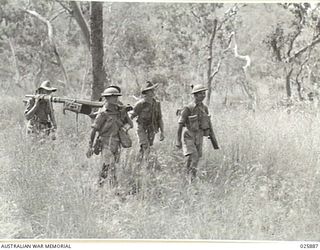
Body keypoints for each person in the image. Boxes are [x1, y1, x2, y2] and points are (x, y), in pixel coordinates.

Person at [87, 86, 133, 187]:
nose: (116, 99)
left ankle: (100, 185)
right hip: (105, 143)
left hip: (117, 143)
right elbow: (94, 130)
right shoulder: (103, 113)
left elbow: (130, 124)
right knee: (111, 166)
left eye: (117, 96)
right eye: (113, 97)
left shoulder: (121, 111)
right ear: (107, 98)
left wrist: (123, 129)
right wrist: (90, 146)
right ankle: (114, 188)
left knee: (107, 166)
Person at [176, 84, 211, 182]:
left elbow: (207, 122)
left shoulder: (204, 108)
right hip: (189, 136)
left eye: (204, 93)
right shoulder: (188, 108)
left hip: (199, 136)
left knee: (194, 159)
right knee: (194, 157)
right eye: (201, 94)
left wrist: (208, 132)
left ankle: (187, 177)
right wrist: (178, 141)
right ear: (195, 95)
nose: (203, 95)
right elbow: (180, 124)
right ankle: (192, 180)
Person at [130, 81, 165, 162]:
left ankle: (139, 162)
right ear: (146, 93)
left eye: (153, 90)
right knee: (146, 146)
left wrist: (162, 132)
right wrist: (125, 127)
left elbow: (159, 118)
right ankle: (146, 164)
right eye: (151, 91)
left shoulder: (157, 104)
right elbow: (132, 115)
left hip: (152, 129)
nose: (153, 92)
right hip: (142, 128)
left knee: (146, 146)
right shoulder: (140, 104)